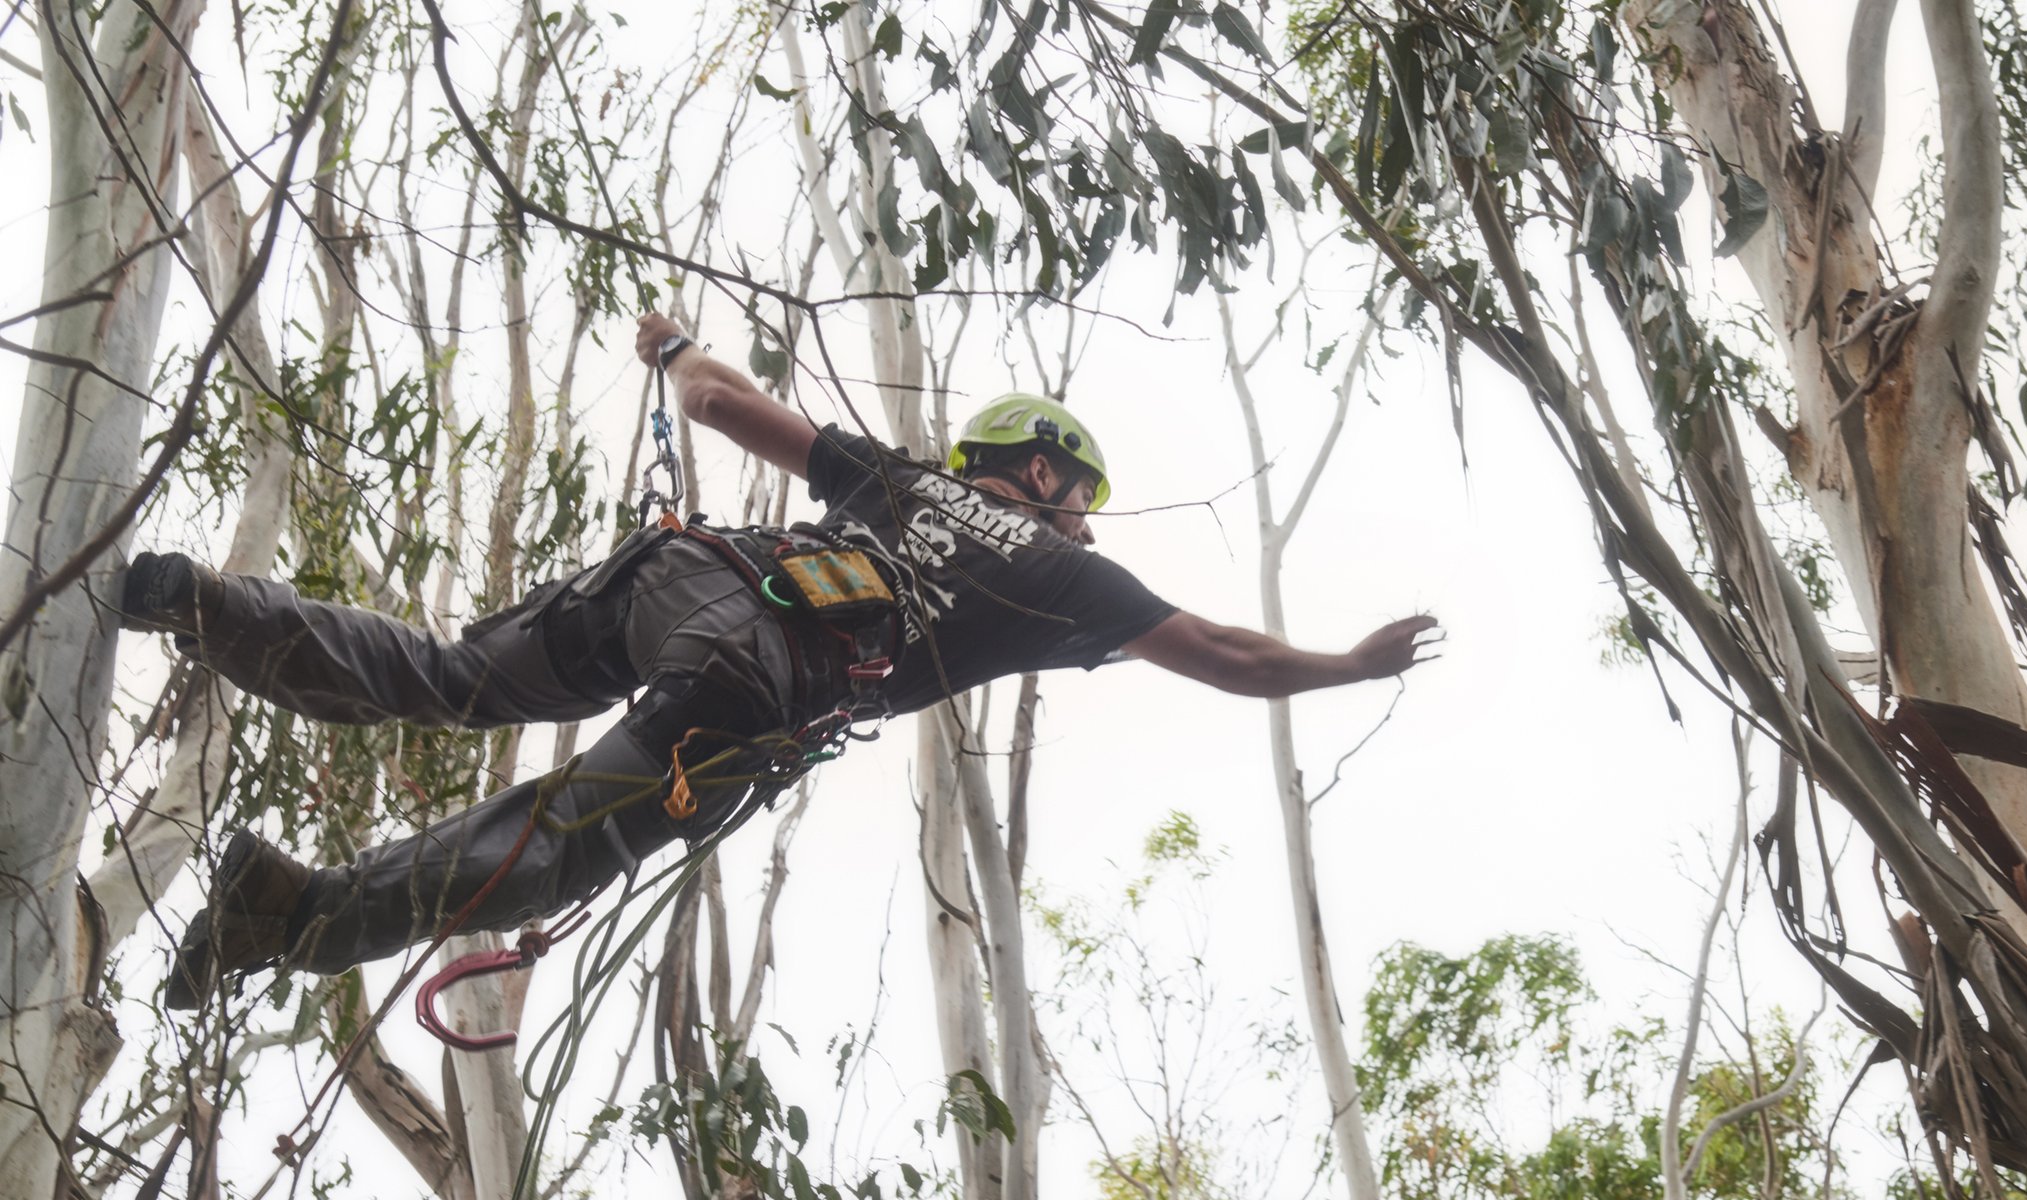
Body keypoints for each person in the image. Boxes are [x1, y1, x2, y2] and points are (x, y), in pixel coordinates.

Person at [119, 312, 1438, 1008]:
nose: (1087, 514)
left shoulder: (905, 480)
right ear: (1042, 472)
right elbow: (1217, 650)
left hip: (681, 575)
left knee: (449, 676)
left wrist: (675, 345)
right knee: (553, 843)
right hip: (756, 671)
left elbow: (717, 406)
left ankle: (200, 606)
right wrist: (1346, 665)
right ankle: (280, 915)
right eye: (1080, 489)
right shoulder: (1057, 572)